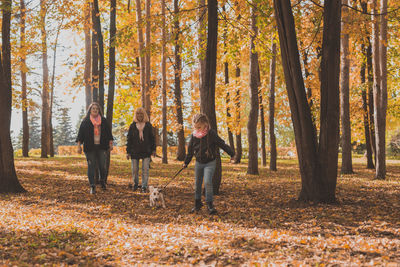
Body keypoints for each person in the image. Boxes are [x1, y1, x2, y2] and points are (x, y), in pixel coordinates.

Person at [183, 113, 235, 215]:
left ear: (205, 124)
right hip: (199, 162)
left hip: (210, 162)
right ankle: (197, 203)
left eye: (199, 127)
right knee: (197, 184)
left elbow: (221, 143)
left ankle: (210, 205)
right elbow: (190, 151)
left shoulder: (211, 134)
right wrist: (186, 162)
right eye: (195, 127)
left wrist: (231, 153)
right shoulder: (194, 136)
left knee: (207, 182)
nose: (197, 129)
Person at [76, 102, 114, 194]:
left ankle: (103, 182)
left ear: (99, 110)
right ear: (90, 110)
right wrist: (79, 146)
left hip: (102, 147)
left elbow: (109, 134)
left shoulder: (104, 121)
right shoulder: (85, 121)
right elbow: (80, 135)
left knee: (102, 166)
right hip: (90, 147)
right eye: (93, 108)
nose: (95, 110)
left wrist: (111, 144)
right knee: (91, 166)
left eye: (97, 109)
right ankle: (92, 186)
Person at [126, 107, 156, 193]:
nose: (139, 115)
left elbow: (152, 138)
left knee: (145, 170)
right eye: (138, 114)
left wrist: (153, 149)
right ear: (136, 115)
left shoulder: (148, 125)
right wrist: (128, 152)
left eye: (141, 114)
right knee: (134, 169)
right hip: (134, 151)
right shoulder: (132, 126)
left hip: (146, 151)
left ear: (144, 115)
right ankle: (135, 184)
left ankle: (144, 186)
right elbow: (129, 139)